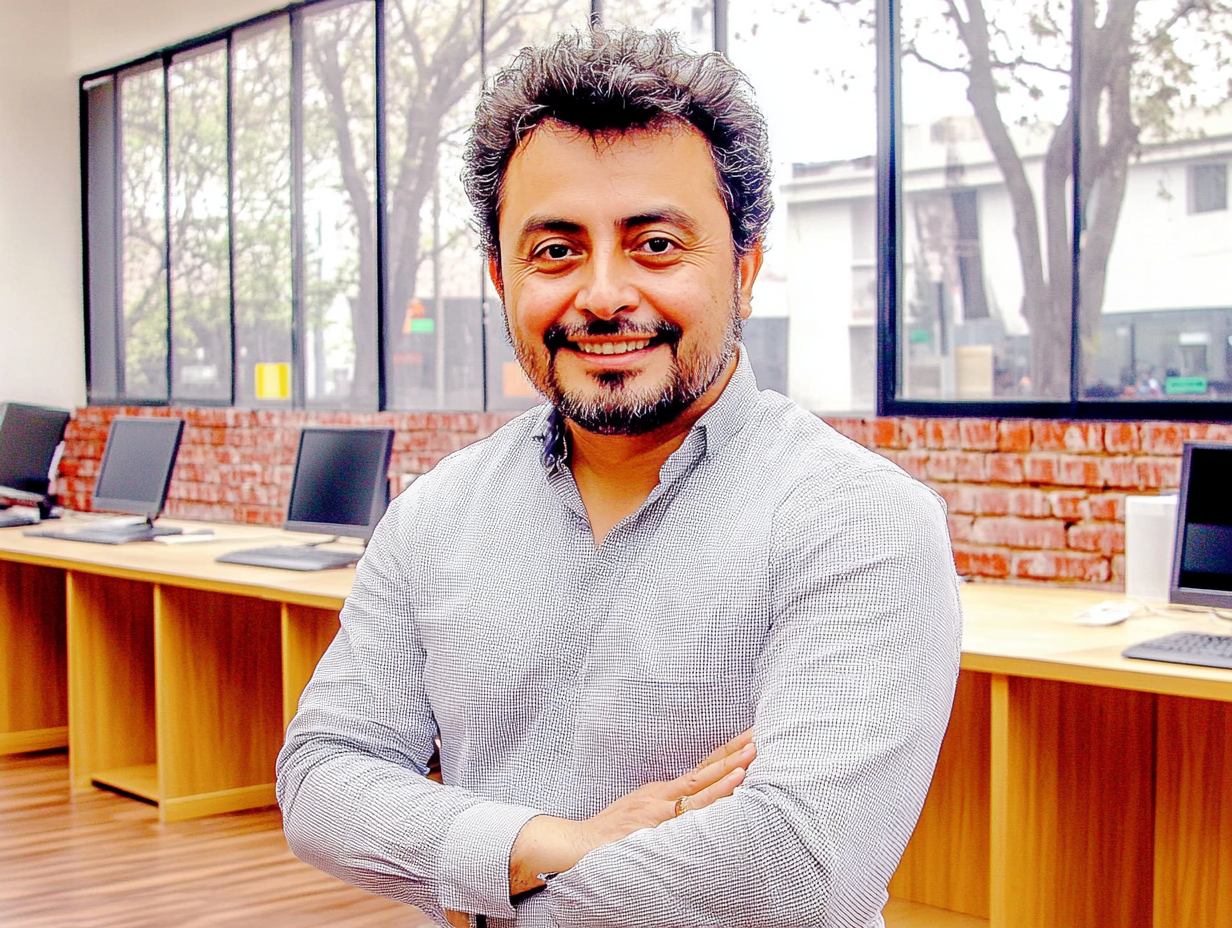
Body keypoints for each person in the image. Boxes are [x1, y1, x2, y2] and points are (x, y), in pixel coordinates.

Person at [277, 27, 961, 928]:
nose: (602, 294)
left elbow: (792, 868)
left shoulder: (860, 521)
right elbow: (323, 776)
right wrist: (549, 842)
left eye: (657, 244)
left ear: (746, 269)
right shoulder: (435, 516)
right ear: (502, 278)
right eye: (555, 251)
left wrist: (486, 891)